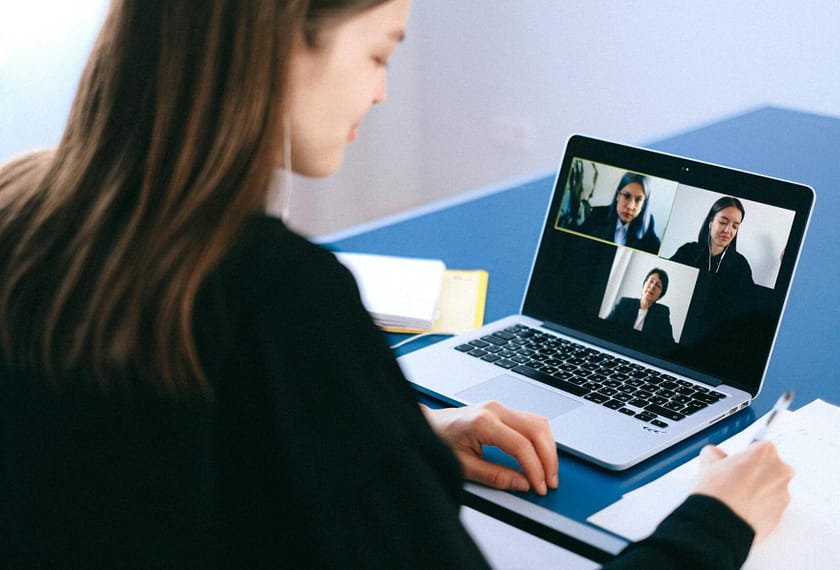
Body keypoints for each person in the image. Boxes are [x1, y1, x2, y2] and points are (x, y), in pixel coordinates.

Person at [0, 1, 792, 567]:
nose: (381, 91)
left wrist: (396, 434)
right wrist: (717, 521)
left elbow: (161, 442)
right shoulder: (280, 296)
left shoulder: (21, 207)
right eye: (379, 52)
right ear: (279, 39)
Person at [670, 196, 754, 286]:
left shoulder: (740, 265)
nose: (727, 230)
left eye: (735, 226)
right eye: (723, 222)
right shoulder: (687, 251)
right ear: (711, 223)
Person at [578, 172, 661, 254]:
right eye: (626, 196)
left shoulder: (647, 224)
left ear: (644, 204)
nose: (630, 206)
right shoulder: (598, 215)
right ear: (618, 195)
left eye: (638, 200)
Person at [607, 268, 675, 345]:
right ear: (644, 284)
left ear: (661, 294)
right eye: (651, 281)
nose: (652, 287)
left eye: (658, 286)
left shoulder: (662, 313)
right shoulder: (624, 303)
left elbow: (669, 343)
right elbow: (605, 326)